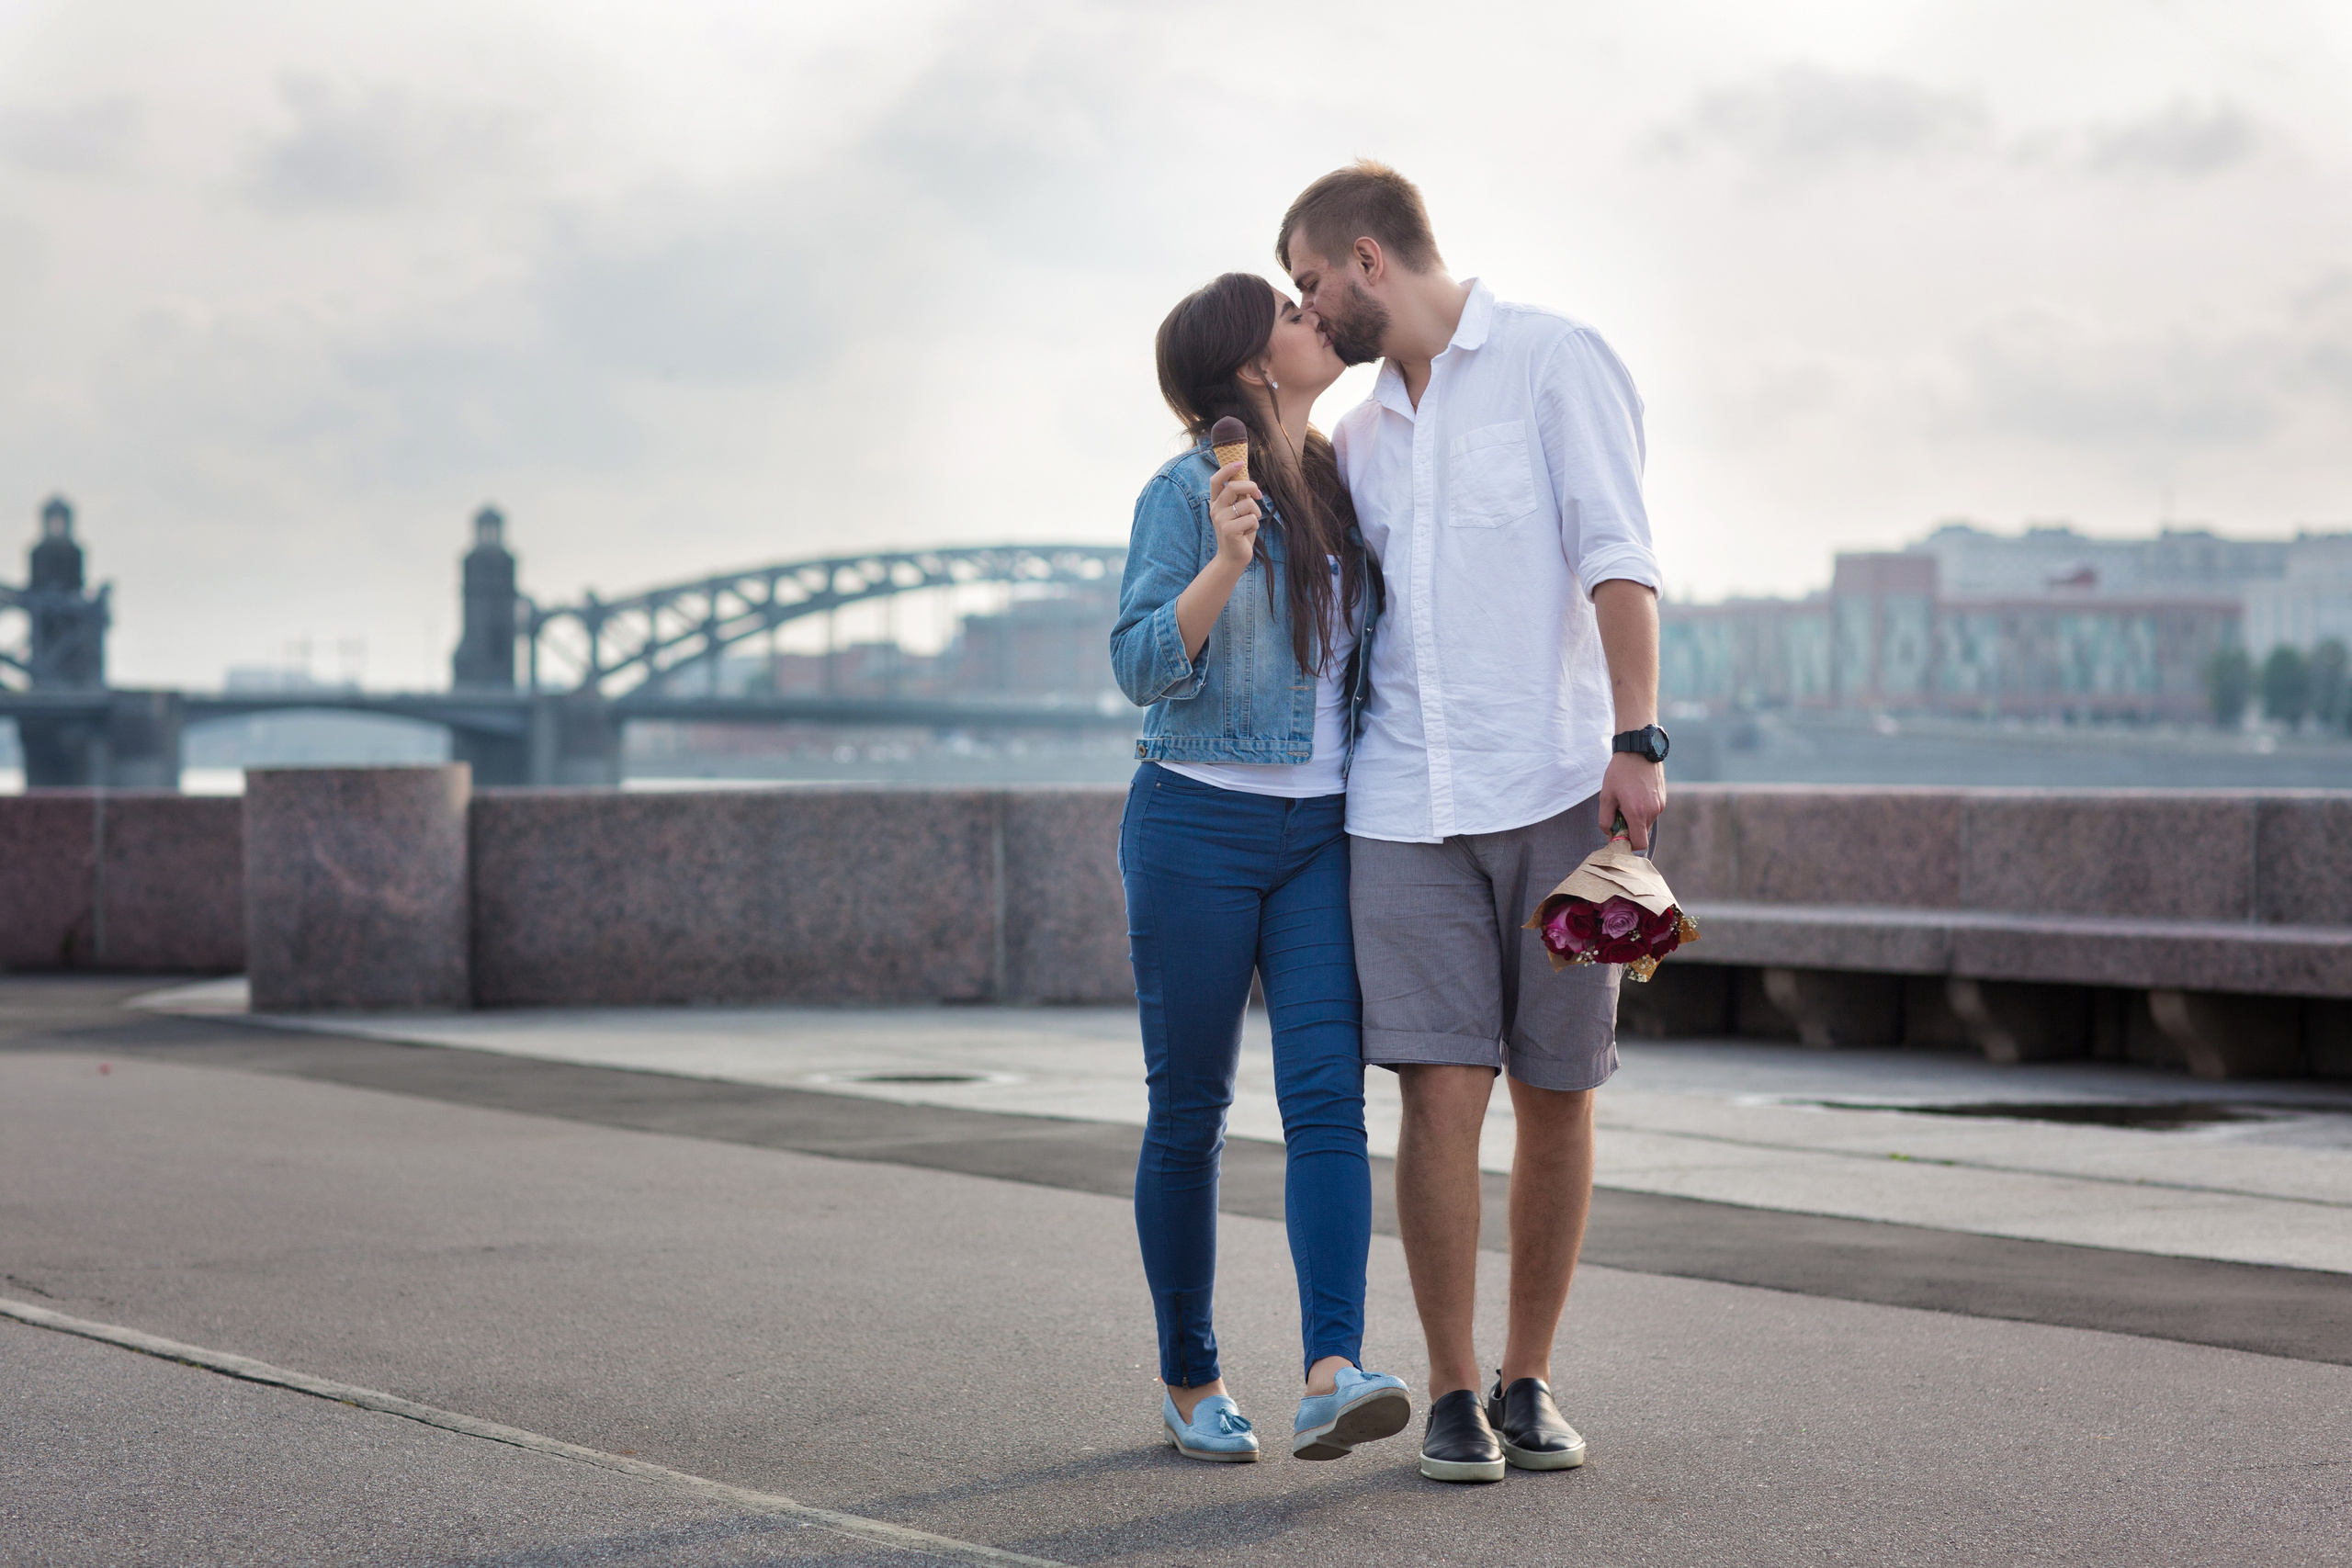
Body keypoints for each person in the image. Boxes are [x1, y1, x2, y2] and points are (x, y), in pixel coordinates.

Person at [1277, 163, 1669, 1483]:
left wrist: (1637, 739)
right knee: (1440, 1094)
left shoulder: (1559, 361)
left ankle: (1527, 1380)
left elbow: (1619, 553)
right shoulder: (1365, 436)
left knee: (1560, 1090)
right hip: (1404, 805)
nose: (1310, 312)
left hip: (1563, 786)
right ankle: (1451, 1393)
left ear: (1371, 258)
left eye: (1313, 284)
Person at [1109, 271, 1411, 1465]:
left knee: (1328, 1100)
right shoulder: (1182, 493)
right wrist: (1224, 564)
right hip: (1195, 823)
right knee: (1190, 1113)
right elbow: (1138, 662)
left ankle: (1333, 1371)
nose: (1311, 318)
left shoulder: (1336, 477)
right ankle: (1191, 1381)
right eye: (1288, 313)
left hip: (1320, 834)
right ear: (1246, 364)